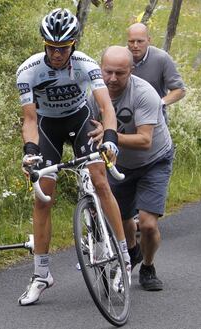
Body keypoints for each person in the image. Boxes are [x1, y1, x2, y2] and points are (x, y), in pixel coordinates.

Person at [16, 8, 131, 306]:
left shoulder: (86, 65)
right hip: (48, 127)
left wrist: (110, 139)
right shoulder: (28, 71)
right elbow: (29, 120)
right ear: (45, 44)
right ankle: (41, 275)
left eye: (63, 48)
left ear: (73, 45)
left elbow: (106, 109)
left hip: (80, 121)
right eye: (52, 48)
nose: (57, 54)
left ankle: (124, 260)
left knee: (100, 181)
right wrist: (30, 152)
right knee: (43, 198)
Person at [89, 46, 174, 291]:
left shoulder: (144, 93)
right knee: (124, 218)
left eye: (120, 73)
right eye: (108, 72)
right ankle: (133, 252)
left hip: (154, 160)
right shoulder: (92, 92)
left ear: (131, 71)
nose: (112, 79)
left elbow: (144, 140)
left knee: (147, 224)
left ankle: (148, 267)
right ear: (100, 69)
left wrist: (109, 136)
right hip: (118, 163)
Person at [127, 23, 186, 123]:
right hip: (126, 116)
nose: (135, 45)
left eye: (140, 41)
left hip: (154, 120)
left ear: (149, 40)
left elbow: (180, 90)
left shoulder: (161, 58)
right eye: (131, 41)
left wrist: (159, 103)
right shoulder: (121, 57)